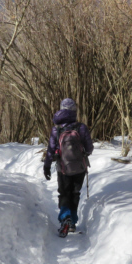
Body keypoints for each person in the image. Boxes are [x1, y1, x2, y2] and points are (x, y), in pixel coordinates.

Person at [43, 98, 93, 236]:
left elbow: (51, 150)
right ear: (74, 110)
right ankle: (72, 223)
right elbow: (89, 147)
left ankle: (65, 218)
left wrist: (47, 166)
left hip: (62, 167)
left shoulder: (57, 129)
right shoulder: (81, 127)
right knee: (75, 193)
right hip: (79, 167)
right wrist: (83, 153)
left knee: (64, 193)